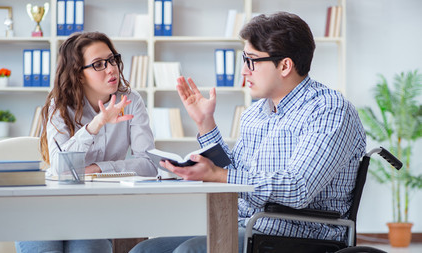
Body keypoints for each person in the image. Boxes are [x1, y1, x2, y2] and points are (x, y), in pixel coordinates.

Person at [130, 12, 366, 253]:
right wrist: (205, 123)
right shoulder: (255, 113)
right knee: (145, 250)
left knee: (190, 251)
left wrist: (218, 175)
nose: (243, 71)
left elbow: (298, 188)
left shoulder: (329, 109)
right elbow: (236, 175)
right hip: (246, 225)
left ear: (285, 65)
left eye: (251, 60)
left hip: (300, 236)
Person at [15, 32, 157, 253]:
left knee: (90, 249)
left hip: (94, 209)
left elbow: (148, 164)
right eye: (99, 64)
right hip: (46, 208)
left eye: (112, 60)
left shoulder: (131, 101)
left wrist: (98, 169)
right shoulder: (59, 106)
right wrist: (97, 124)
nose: (111, 69)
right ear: (78, 75)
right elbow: (61, 167)